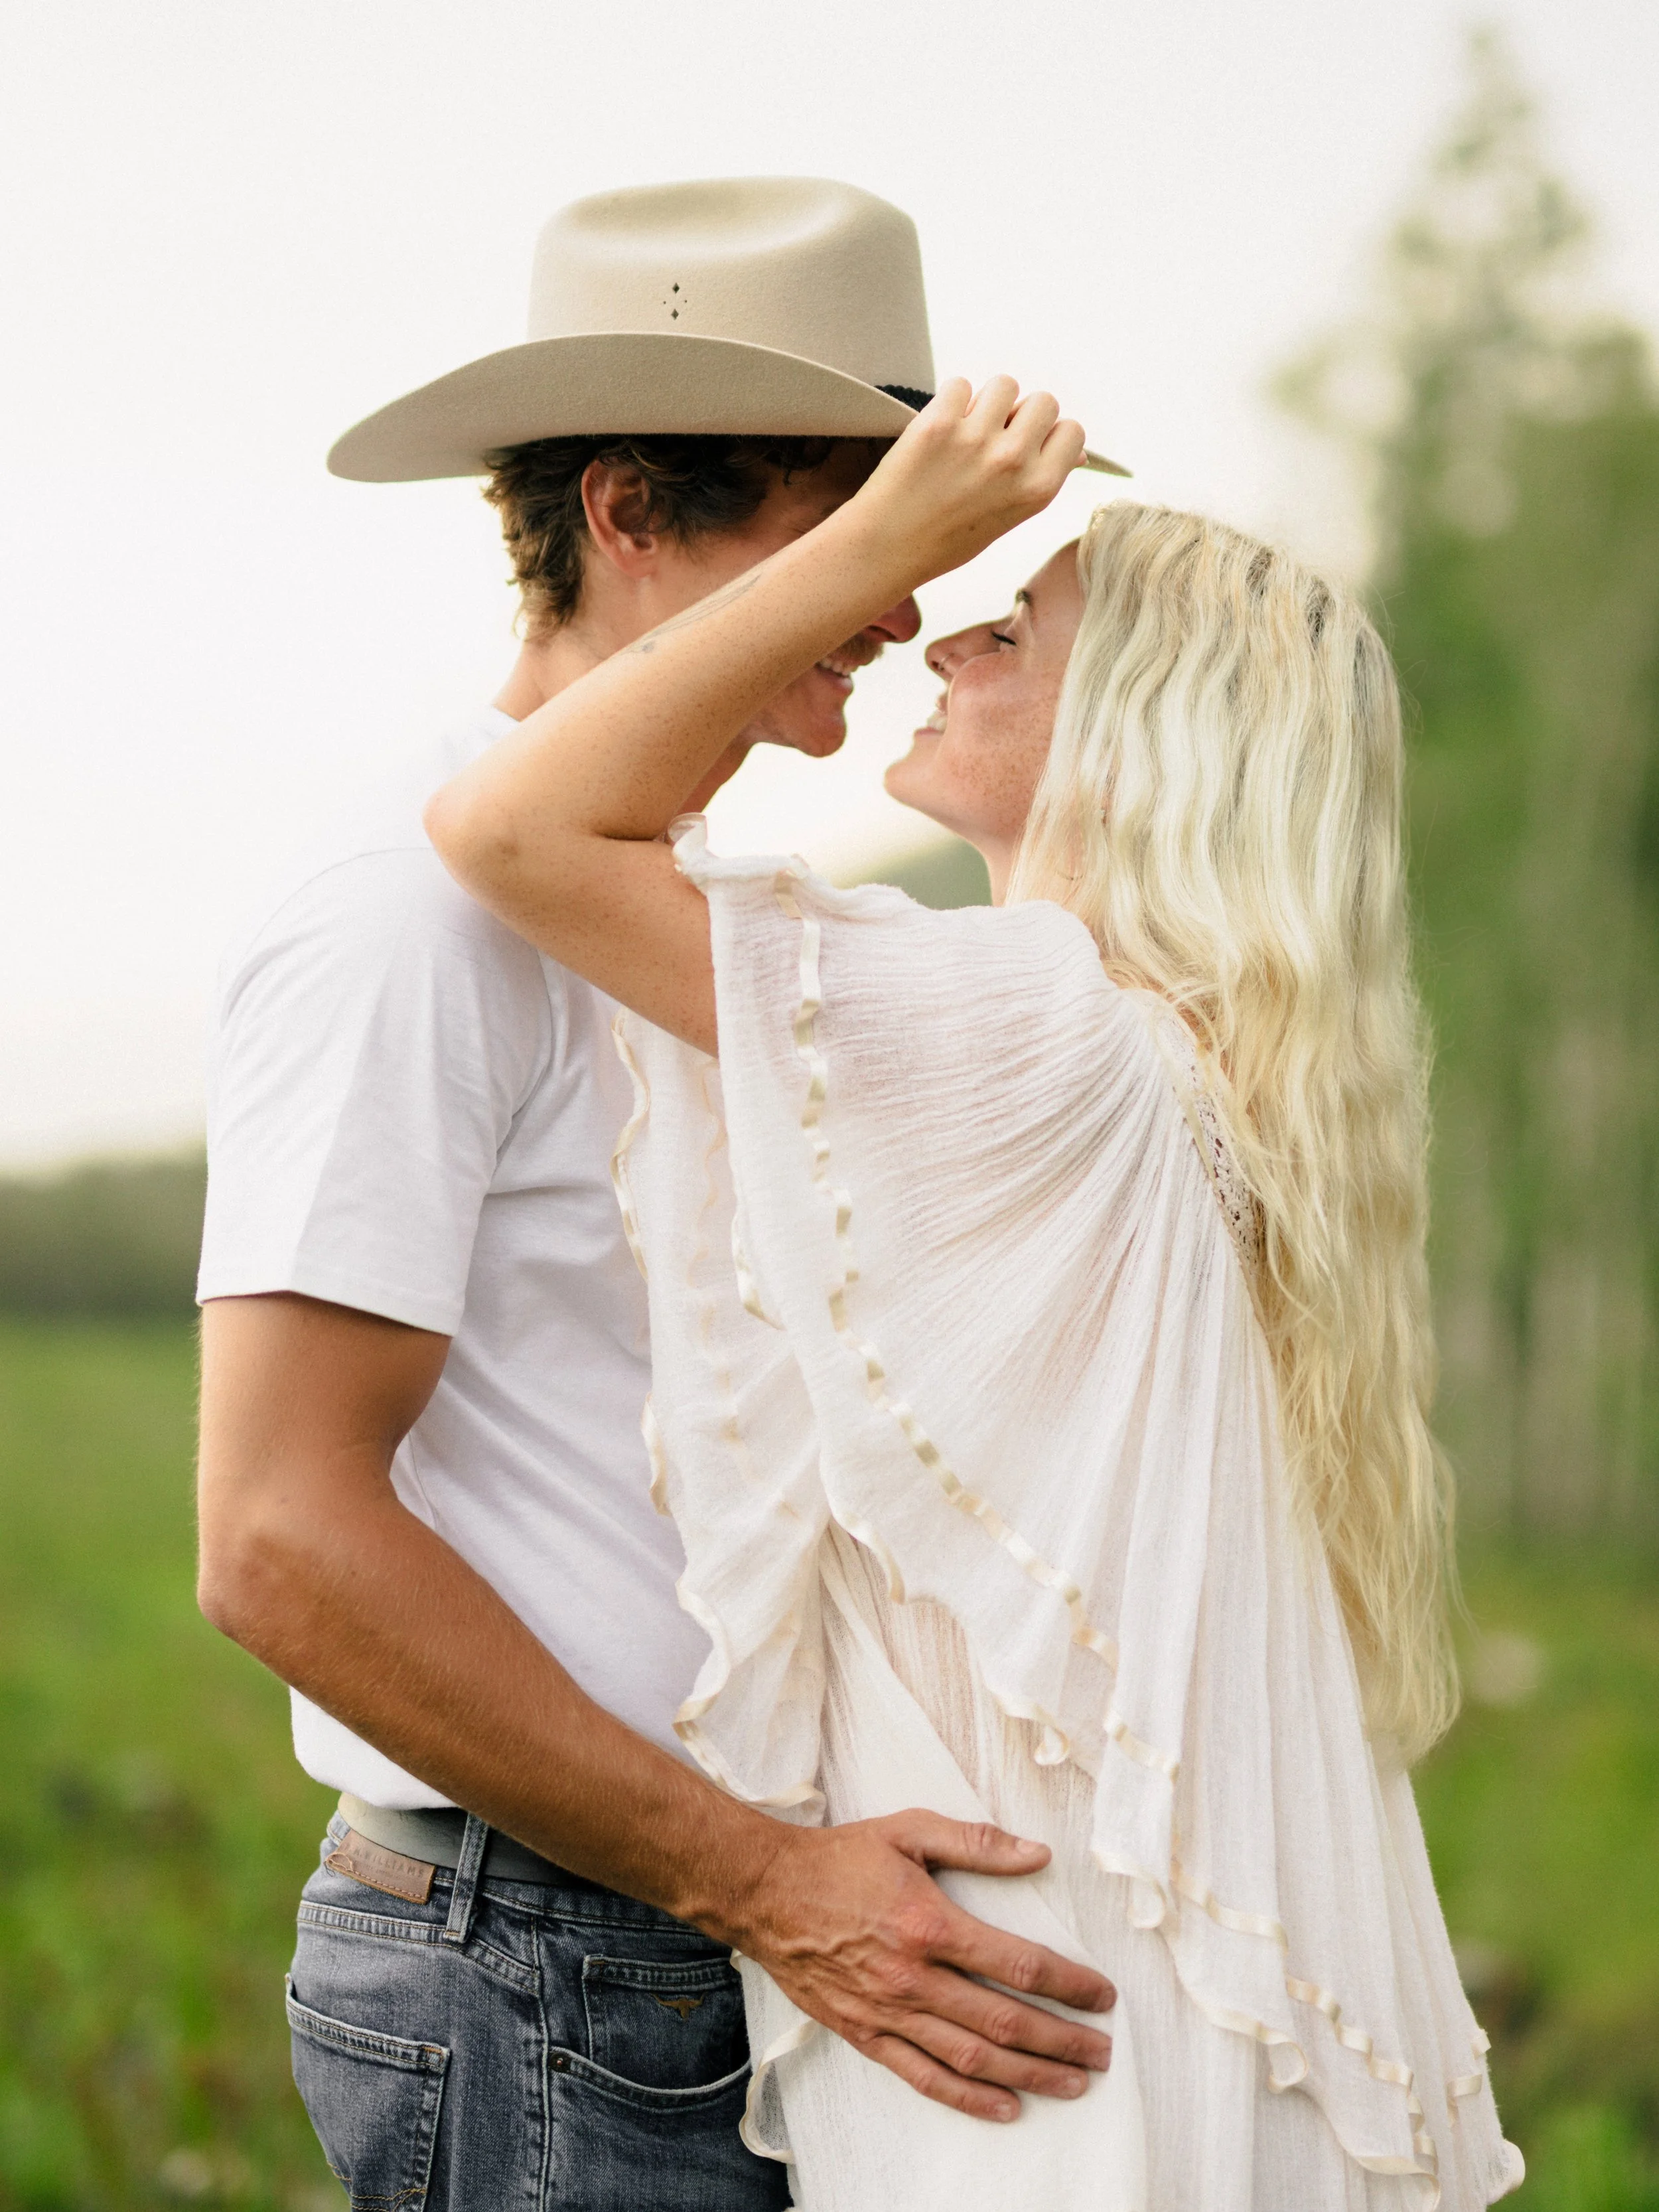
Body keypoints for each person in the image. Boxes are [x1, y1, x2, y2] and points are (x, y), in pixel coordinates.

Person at [423, 376, 1530, 2209]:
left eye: (1010, 624)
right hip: (1088, 1971)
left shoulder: (1038, 1035)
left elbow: (511, 828)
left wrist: (871, 537)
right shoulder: (1149, 1055)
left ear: (1139, 734)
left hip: (1028, 2005)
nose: (938, 629)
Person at [193, 184, 1126, 2211]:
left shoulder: (705, 918)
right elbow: (275, 1535)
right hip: (557, 1965)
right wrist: (763, 1880)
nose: (895, 606)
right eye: (843, 523)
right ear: (626, 511)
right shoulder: (407, 914)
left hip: (719, 1951)